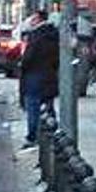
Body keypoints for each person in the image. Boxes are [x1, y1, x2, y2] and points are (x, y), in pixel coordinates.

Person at [19, 10, 59, 150]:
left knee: (33, 107)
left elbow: (28, 58)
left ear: (38, 19)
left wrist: (22, 64)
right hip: (50, 76)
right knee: (47, 107)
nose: (31, 21)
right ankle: (51, 135)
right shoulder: (54, 34)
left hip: (34, 76)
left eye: (33, 19)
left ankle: (33, 136)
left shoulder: (35, 36)